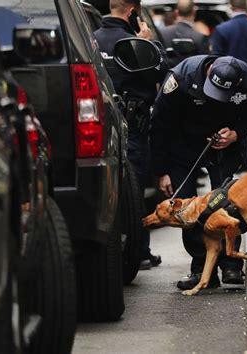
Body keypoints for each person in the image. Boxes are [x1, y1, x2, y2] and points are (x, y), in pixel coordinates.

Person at [150, 55, 247, 289]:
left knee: (228, 205)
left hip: (224, 146)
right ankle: (201, 269)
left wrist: (237, 134)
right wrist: (161, 171)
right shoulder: (181, 78)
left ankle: (231, 265)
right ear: (208, 71)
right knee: (186, 209)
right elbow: (160, 125)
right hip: (182, 146)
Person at [94, 0, 167, 269]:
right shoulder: (134, 43)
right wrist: (149, 42)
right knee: (134, 191)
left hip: (100, 126)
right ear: (132, 12)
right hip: (133, 127)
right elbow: (161, 71)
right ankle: (140, 251)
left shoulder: (90, 40)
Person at [210, 0, 247, 170]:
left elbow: (216, 60)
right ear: (246, 7)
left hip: (228, 86)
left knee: (234, 120)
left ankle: (242, 162)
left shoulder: (222, 29)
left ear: (231, 7)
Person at [160, 0, 210, 67]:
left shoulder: (162, 33)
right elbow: (206, 64)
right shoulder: (199, 37)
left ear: (176, 12)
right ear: (194, 12)